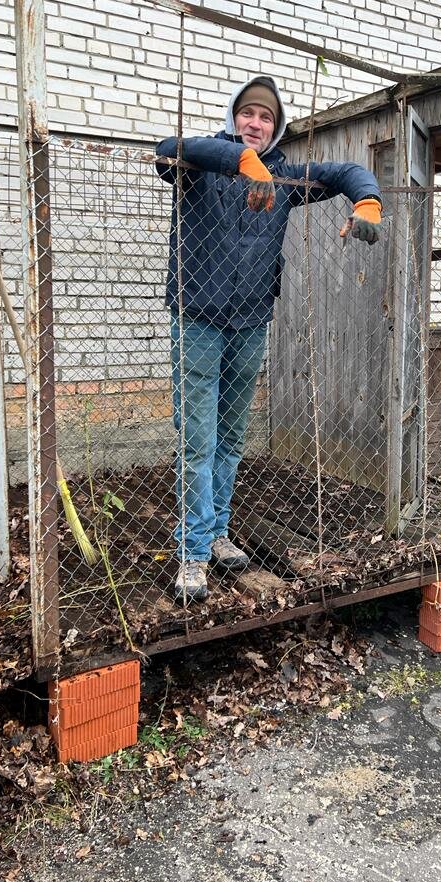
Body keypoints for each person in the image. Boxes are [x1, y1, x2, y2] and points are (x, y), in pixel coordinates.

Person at [156, 75, 383, 602]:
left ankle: (216, 535)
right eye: (248, 114)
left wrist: (366, 202)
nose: (255, 124)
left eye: (266, 118)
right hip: (198, 317)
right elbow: (169, 149)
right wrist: (239, 161)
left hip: (252, 320)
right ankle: (191, 552)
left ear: (276, 128)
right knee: (197, 440)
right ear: (234, 116)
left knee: (232, 436)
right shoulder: (201, 167)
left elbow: (348, 171)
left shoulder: (284, 177)